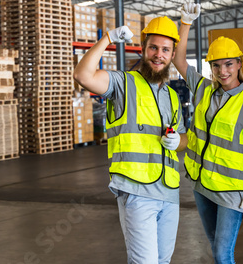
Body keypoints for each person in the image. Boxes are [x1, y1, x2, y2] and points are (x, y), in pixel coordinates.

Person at [73, 16, 188, 264]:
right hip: (136, 192)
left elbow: (183, 141)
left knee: (162, 261)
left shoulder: (171, 96)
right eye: (153, 48)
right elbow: (83, 75)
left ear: (172, 55)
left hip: (169, 192)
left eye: (165, 50)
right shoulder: (122, 83)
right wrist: (108, 38)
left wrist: (177, 140)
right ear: (143, 49)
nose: (159, 55)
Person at [172, 3, 243, 264]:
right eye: (216, 66)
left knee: (221, 253)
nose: (222, 71)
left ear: (239, 63)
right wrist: (185, 23)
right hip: (201, 183)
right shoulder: (204, 89)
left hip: (231, 190)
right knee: (215, 244)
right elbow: (178, 60)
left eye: (228, 64)